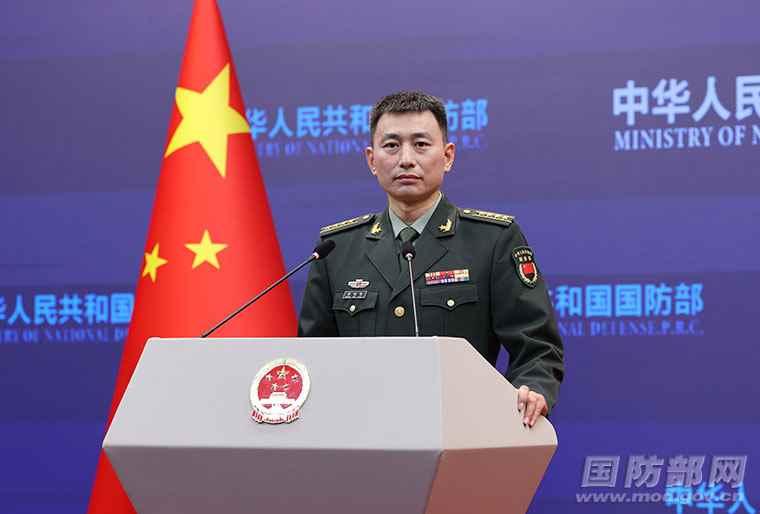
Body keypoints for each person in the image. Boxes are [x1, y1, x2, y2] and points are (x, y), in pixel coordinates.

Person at [298, 91, 564, 427]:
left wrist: (532, 388)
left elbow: (537, 347)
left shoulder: (492, 240)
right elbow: (312, 360)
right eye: (391, 145)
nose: (406, 159)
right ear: (371, 159)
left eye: (421, 144)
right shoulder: (336, 249)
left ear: (448, 156)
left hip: (463, 431)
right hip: (361, 433)